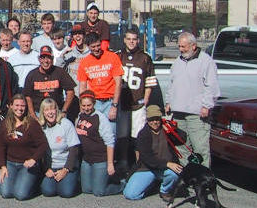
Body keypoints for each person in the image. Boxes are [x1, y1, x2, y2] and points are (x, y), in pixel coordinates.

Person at [165, 32, 220, 167]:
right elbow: (172, 84)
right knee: (182, 148)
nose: (181, 49)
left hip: (197, 114)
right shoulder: (178, 62)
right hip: (178, 113)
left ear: (193, 46)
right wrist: (168, 102)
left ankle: (203, 181)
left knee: (200, 149)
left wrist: (206, 105)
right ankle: (187, 179)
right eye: (179, 46)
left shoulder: (206, 61)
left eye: (183, 46)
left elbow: (211, 86)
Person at [116, 29, 157, 172]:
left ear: (138, 40)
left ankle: (140, 165)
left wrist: (145, 99)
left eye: (134, 39)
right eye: (129, 39)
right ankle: (123, 163)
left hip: (138, 103)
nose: (131, 41)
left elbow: (149, 82)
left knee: (138, 138)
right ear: (124, 40)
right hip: (122, 104)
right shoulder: (118, 56)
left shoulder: (145, 58)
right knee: (122, 136)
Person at [123, 105, 181, 202]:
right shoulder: (143, 134)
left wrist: (172, 131)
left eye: (157, 119)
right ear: (147, 120)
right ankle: (152, 185)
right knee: (130, 195)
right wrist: (167, 163)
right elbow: (147, 158)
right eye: (151, 119)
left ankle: (164, 191)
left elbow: (183, 138)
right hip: (147, 168)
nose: (154, 122)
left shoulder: (166, 129)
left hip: (165, 168)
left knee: (174, 173)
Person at [0, 94, 48, 201]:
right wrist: (2, 166)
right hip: (10, 163)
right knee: (6, 193)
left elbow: (43, 145)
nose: (20, 108)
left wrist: (34, 159)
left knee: (20, 195)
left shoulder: (32, 124)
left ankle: (35, 182)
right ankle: (21, 181)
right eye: (17, 105)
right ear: (10, 106)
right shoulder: (5, 123)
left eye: (23, 106)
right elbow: (0, 145)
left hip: (27, 165)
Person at [76, 90, 123, 197]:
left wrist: (110, 164)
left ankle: (121, 184)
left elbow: (110, 142)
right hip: (87, 159)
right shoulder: (80, 116)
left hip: (100, 159)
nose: (86, 108)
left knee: (98, 191)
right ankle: (101, 179)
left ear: (94, 104)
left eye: (89, 105)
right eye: (84, 105)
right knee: (87, 189)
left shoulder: (100, 118)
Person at [78, 32, 124, 137]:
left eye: (98, 45)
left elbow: (118, 83)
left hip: (110, 101)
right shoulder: (85, 62)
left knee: (110, 135)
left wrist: (114, 106)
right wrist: (82, 108)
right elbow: (82, 87)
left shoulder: (112, 57)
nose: (96, 49)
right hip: (95, 103)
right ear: (88, 47)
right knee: (93, 134)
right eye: (93, 47)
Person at [38, 98, 81, 198]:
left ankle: (74, 180)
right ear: (43, 112)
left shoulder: (66, 124)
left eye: (52, 109)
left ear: (57, 110)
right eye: (46, 110)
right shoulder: (41, 128)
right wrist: (45, 169)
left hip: (67, 165)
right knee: (47, 191)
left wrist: (65, 169)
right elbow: (39, 151)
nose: (50, 113)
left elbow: (74, 148)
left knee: (66, 193)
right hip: (51, 167)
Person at [23, 46, 76, 118]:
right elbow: (27, 96)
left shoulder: (60, 72)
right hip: (38, 113)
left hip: (57, 112)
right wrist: (33, 115)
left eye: (48, 57)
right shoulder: (32, 75)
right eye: (43, 58)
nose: (46, 61)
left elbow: (70, 91)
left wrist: (64, 110)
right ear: (39, 59)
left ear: (53, 59)